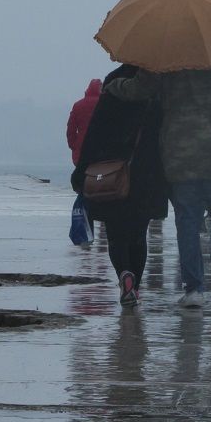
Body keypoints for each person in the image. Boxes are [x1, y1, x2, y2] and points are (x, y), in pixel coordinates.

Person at [107, 52, 211, 306]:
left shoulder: (169, 45)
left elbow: (143, 87)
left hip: (181, 146)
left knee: (187, 218)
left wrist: (114, 85)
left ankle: (194, 290)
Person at [73, 66, 169, 303]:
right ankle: (135, 286)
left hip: (112, 172)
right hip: (147, 174)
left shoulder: (113, 84)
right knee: (138, 234)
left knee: (116, 234)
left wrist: (81, 170)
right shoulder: (157, 90)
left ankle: (124, 275)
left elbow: (94, 132)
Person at [66, 78, 103, 163]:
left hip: (81, 150)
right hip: (100, 150)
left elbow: (71, 129)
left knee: (82, 170)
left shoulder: (78, 105)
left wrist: (74, 146)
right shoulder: (104, 104)